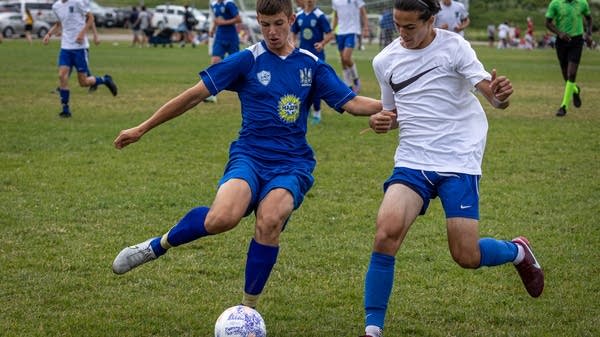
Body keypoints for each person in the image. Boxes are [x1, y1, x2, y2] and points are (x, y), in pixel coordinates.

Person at [111, 0, 382, 311]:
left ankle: (247, 311)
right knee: (221, 218)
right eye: (265, 25)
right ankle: (157, 245)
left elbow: (352, 102)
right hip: (249, 157)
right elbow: (193, 95)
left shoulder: (312, 64)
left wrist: (397, 107)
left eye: (278, 23)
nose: (272, 32)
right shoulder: (248, 60)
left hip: (292, 164)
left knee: (269, 221)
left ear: (291, 19)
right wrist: (142, 128)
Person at [359, 1, 544, 336]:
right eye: (398, 26)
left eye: (410, 27)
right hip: (413, 159)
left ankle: (518, 251)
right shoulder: (384, 61)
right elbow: (394, 112)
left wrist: (502, 96)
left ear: (431, 21)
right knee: (385, 233)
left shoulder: (455, 47)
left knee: (466, 255)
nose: (402, 34)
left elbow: (493, 97)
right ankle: (373, 329)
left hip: (458, 157)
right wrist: (381, 121)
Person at [43, 0, 117, 118]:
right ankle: (65, 110)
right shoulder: (56, 6)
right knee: (62, 76)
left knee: (83, 82)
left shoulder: (77, 2)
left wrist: (82, 33)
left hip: (80, 48)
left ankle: (105, 79)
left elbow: (91, 18)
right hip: (65, 47)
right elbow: (58, 24)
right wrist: (49, 34)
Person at [545, 0, 593, 117]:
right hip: (561, 42)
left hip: (577, 41)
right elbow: (548, 23)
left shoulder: (582, 3)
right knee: (566, 76)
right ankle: (575, 89)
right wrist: (559, 33)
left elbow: (589, 18)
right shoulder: (555, 3)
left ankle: (563, 107)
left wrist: (588, 33)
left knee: (571, 74)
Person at [291, 0, 333, 124]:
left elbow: (330, 34)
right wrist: (293, 42)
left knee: (315, 84)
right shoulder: (299, 15)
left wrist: (322, 44)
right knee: (302, 83)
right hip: (302, 56)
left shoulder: (319, 15)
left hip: (316, 56)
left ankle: (317, 112)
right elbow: (293, 31)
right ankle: (305, 109)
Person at [206, 0, 242, 103]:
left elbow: (239, 19)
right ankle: (211, 94)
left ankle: (247, 89)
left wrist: (223, 22)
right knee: (214, 63)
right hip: (219, 38)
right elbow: (217, 19)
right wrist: (213, 29)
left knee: (236, 65)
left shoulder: (229, 4)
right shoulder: (214, 5)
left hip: (231, 38)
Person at [331, 0, 369, 93]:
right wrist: (332, 30)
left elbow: (363, 12)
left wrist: (366, 28)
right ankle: (348, 86)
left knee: (346, 57)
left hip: (352, 30)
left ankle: (356, 79)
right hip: (340, 32)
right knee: (343, 60)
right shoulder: (335, 1)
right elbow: (336, 16)